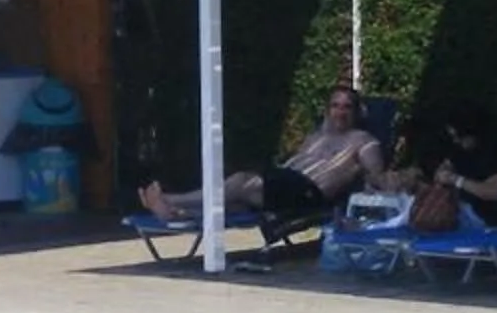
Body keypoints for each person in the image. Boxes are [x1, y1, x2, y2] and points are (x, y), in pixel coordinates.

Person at [139, 82, 384, 225]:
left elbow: (376, 176)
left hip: (310, 192)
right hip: (287, 181)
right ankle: (178, 214)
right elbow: (296, 162)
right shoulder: (316, 136)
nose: (340, 112)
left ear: (357, 112)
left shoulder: (363, 140)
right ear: (327, 110)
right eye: (335, 105)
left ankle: (171, 199)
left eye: (347, 107)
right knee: (238, 200)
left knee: (242, 182)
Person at [413, 103, 497, 229]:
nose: (456, 141)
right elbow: (447, 165)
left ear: (472, 131)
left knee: (434, 220)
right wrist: (443, 174)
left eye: (458, 137)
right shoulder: (465, 147)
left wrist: (457, 180)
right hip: (472, 209)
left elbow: (496, 191)